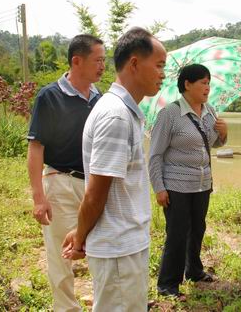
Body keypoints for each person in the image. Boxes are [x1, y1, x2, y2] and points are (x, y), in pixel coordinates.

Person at [61, 27, 167, 311]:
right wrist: (81, 235)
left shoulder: (123, 111)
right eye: (158, 65)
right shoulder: (116, 115)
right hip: (118, 248)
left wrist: (80, 229)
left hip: (125, 245)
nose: (163, 74)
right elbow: (96, 193)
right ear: (134, 63)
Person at [27, 34, 105, 311]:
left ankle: (103, 305)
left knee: (98, 248)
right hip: (60, 181)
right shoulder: (50, 96)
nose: (102, 67)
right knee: (61, 255)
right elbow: (36, 147)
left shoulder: (100, 100)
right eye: (98, 60)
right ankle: (66, 308)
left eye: (104, 60)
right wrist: (39, 198)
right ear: (77, 61)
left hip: (95, 186)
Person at [149, 63, 228, 299]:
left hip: (202, 183)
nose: (207, 88)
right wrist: (159, 188)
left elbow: (213, 144)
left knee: (198, 228)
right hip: (176, 185)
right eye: (203, 82)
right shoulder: (170, 114)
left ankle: (194, 270)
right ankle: (167, 284)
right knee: (177, 232)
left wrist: (223, 132)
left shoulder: (209, 111)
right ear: (187, 84)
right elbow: (155, 154)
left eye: (209, 83)